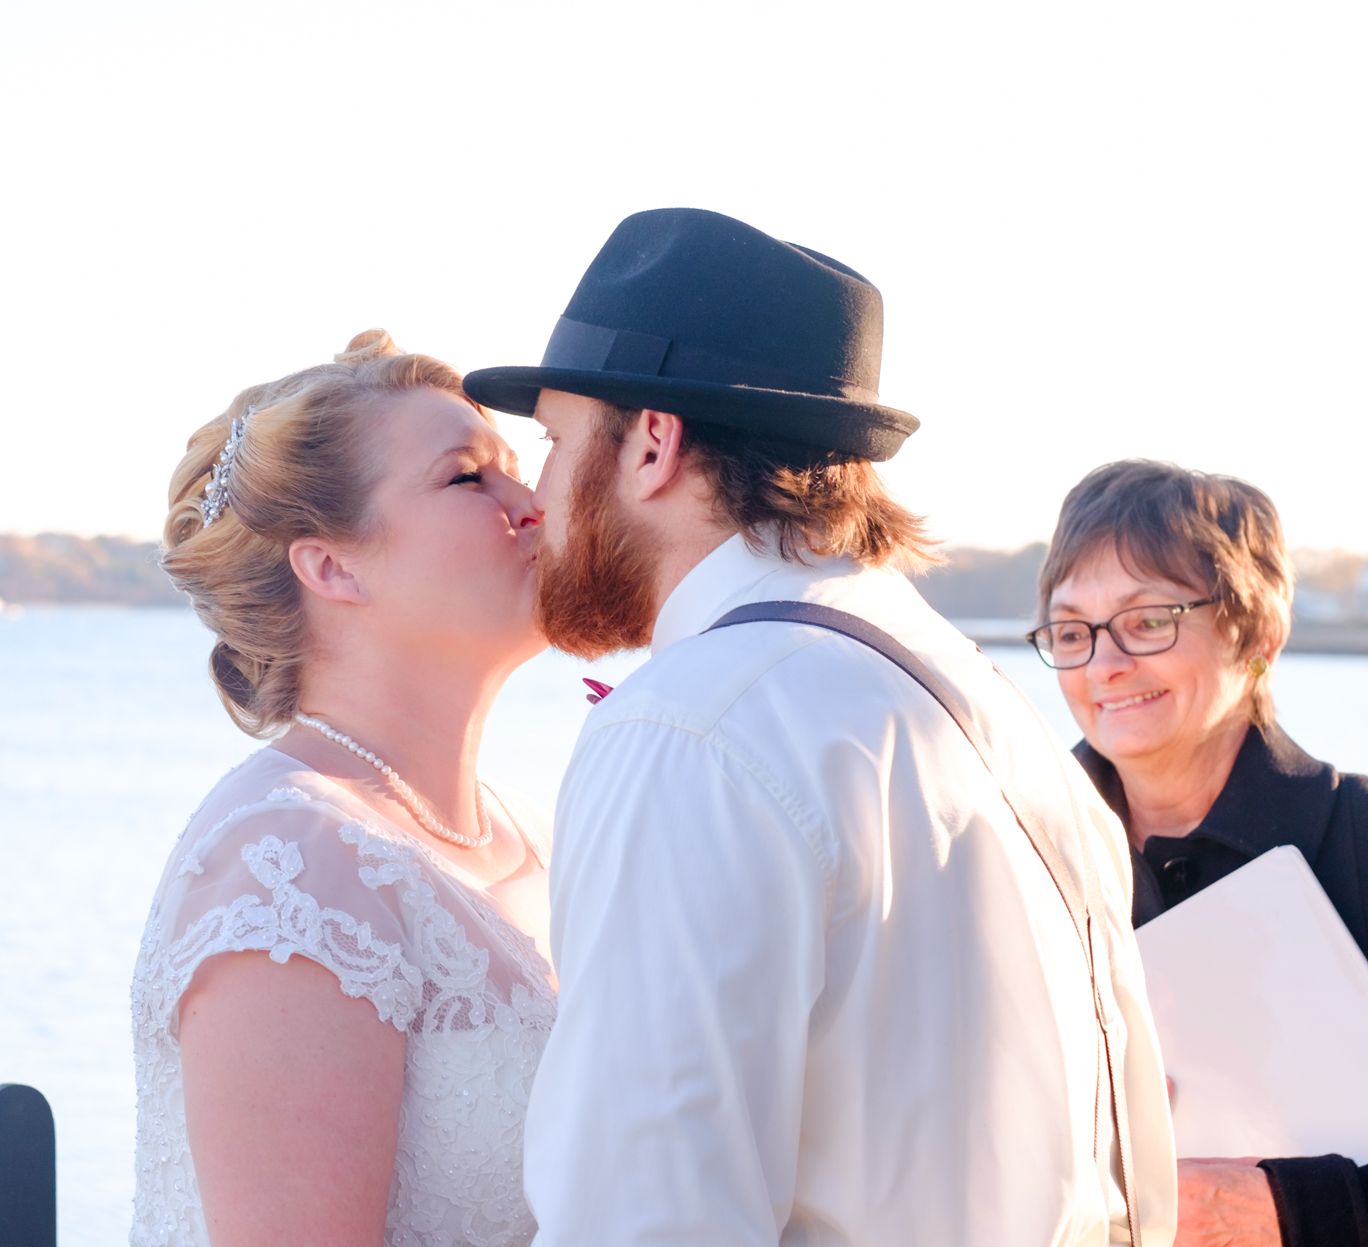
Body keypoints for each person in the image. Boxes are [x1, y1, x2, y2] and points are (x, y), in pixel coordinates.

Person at [463, 208, 1179, 1246]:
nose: (534, 494)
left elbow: (646, 1209)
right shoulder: (991, 707)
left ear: (652, 443)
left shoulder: (692, 728)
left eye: (553, 441)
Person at [1031, 458, 1368, 1247]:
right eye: (1073, 631)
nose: (1105, 663)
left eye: (1148, 621)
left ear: (1257, 635)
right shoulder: (1019, 852)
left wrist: (1294, 1210)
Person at [130, 331, 556, 1247]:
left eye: (518, 471)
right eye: (468, 478)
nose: (533, 504)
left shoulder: (539, 830)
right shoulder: (288, 865)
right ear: (332, 566)